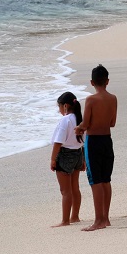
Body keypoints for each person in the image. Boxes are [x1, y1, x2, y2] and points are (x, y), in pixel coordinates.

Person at [74, 64, 117, 232]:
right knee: (106, 179)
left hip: (93, 142)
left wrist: (79, 128)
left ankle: (98, 219)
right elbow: (112, 122)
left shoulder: (91, 100)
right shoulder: (113, 98)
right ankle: (105, 218)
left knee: (95, 181)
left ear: (92, 82)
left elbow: (86, 123)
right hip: (107, 140)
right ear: (107, 81)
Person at [50, 91, 84, 227]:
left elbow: (58, 142)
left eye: (59, 107)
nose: (59, 111)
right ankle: (74, 216)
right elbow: (83, 140)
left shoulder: (66, 120)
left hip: (65, 155)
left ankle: (65, 220)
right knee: (75, 187)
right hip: (78, 154)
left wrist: (53, 159)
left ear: (65, 106)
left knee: (65, 191)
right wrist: (83, 160)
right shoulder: (80, 118)